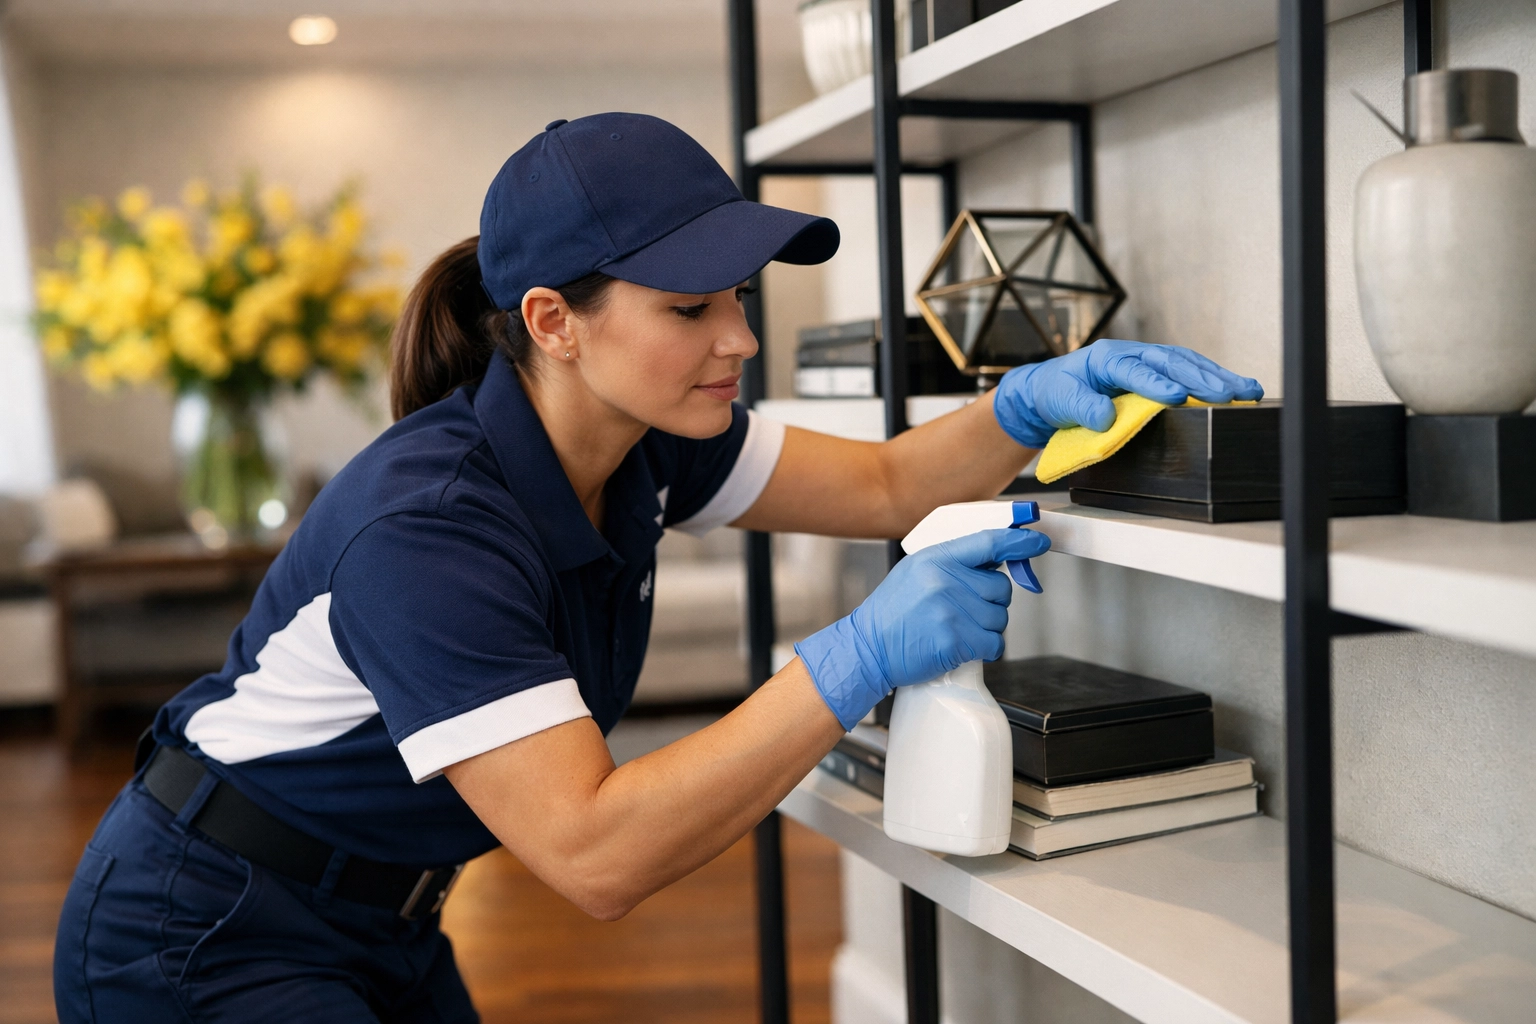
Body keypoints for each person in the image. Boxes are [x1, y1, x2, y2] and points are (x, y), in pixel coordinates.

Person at [53, 112, 1262, 1023]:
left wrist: (1036, 404)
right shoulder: (426, 529)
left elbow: (891, 485)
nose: (738, 336)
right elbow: (593, 853)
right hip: (201, 930)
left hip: (390, 911)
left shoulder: (647, 441)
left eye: (738, 295)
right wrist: (853, 658)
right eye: (689, 309)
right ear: (550, 322)